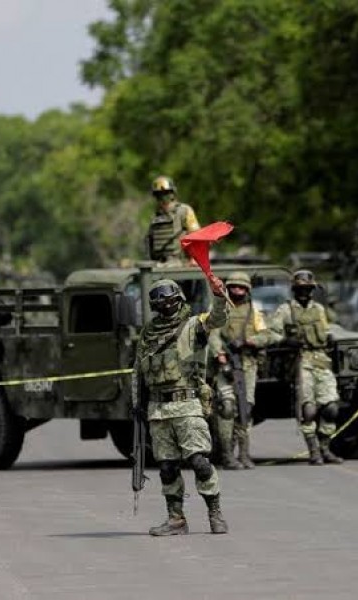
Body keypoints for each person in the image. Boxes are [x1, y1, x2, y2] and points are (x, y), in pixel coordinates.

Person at [137, 275, 229, 535]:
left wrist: (219, 296)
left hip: (187, 404)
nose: (166, 304)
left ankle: (215, 511)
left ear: (179, 298)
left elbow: (217, 319)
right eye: (160, 300)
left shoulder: (193, 325)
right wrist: (137, 406)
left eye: (170, 298)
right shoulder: (148, 333)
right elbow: (138, 372)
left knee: (199, 462)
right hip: (158, 410)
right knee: (167, 468)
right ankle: (176, 519)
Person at [270, 270, 343, 465]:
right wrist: (286, 340)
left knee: (331, 408)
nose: (304, 292)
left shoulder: (319, 309)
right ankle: (314, 451)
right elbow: (271, 333)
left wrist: (330, 337)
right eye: (300, 289)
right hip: (300, 360)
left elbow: (327, 329)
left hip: (321, 358)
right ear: (294, 290)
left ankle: (325, 447)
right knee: (308, 409)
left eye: (308, 289)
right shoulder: (285, 310)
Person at [210, 271, 279, 470]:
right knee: (227, 408)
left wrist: (251, 341)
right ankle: (226, 455)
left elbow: (267, 335)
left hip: (248, 365)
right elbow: (212, 332)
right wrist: (219, 354)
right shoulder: (220, 309)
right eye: (234, 287)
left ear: (247, 290)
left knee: (244, 410)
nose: (237, 291)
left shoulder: (254, 312)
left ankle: (244, 453)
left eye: (242, 288)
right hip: (226, 365)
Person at [144, 176, 201, 263]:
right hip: (159, 263)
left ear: (172, 194)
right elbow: (150, 241)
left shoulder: (184, 211)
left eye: (166, 193)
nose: (163, 198)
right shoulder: (156, 217)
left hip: (180, 262)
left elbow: (196, 236)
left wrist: (194, 258)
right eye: (159, 195)